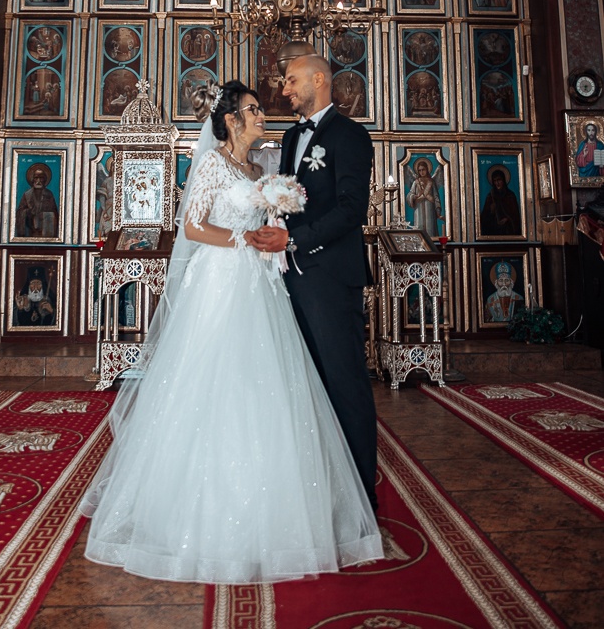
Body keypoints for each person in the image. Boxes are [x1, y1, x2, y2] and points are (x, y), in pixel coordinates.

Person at [80, 79, 382, 583]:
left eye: (261, 108)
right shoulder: (214, 164)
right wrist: (244, 239)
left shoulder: (258, 170)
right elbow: (193, 226)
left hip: (263, 283)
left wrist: (276, 225)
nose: (263, 115)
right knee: (217, 381)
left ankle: (279, 504)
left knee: (269, 385)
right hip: (221, 284)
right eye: (254, 109)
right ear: (231, 119)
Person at [256, 55, 379, 515]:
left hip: (331, 278)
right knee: (307, 387)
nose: (285, 89)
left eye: (291, 80)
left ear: (319, 80)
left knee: (345, 385)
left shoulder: (351, 135)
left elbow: (351, 209)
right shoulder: (291, 137)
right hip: (292, 278)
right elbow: (292, 199)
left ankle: (362, 498)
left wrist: (294, 240)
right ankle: (322, 489)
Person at [480, 167, 521, 235]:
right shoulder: (490, 196)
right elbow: (483, 218)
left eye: (499, 180)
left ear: (503, 180)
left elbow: (516, 217)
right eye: (495, 181)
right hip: (494, 230)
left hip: (507, 229)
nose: (497, 183)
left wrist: (507, 219)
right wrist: (490, 211)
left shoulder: (510, 195)